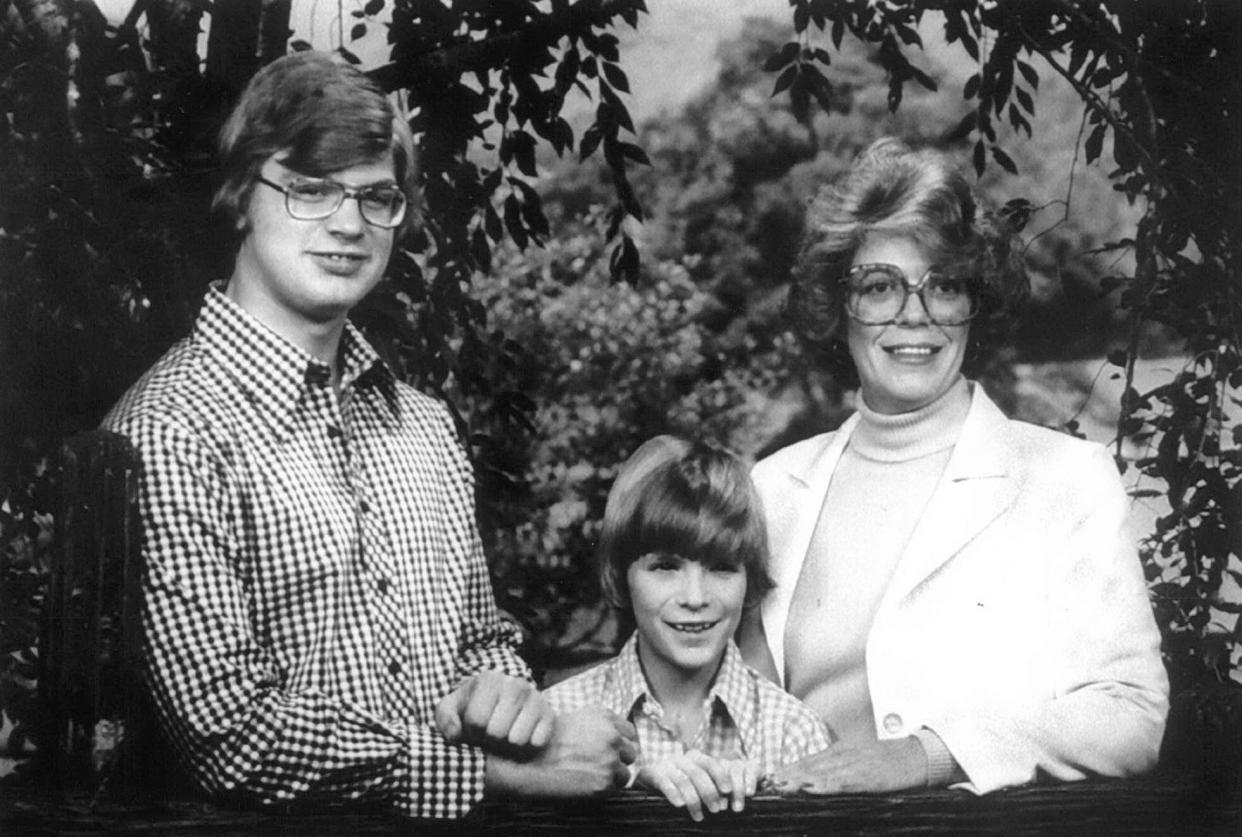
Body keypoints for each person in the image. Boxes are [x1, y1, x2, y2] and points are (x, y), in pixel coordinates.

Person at [103, 51, 635, 818]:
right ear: (240, 196)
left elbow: (483, 639)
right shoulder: (172, 428)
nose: (349, 223)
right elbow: (228, 733)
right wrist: (495, 772)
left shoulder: (422, 425)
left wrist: (501, 693)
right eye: (310, 189)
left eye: (376, 196)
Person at [738, 137, 1169, 795]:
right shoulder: (770, 488)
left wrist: (927, 754)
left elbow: (1130, 713)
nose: (915, 313)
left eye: (944, 284)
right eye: (879, 286)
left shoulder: (1067, 477)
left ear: (976, 302)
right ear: (836, 304)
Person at [546, 436, 831, 821]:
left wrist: (762, 810)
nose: (695, 597)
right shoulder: (559, 716)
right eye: (665, 567)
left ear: (750, 577)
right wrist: (628, 795)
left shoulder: (793, 731)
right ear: (622, 574)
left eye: (721, 567)